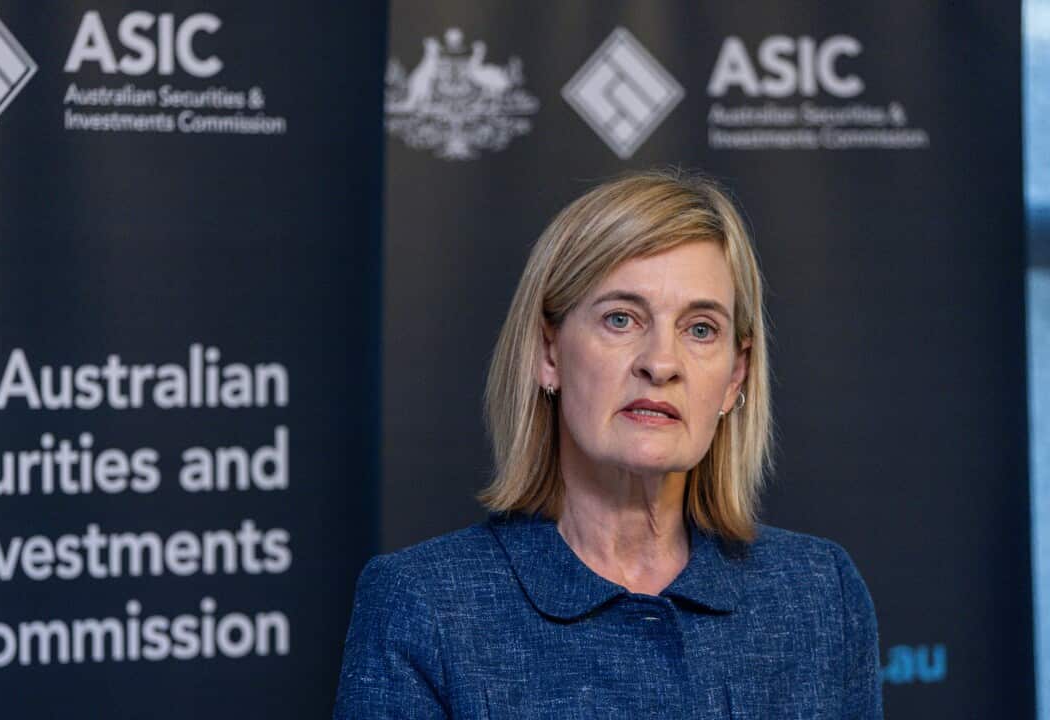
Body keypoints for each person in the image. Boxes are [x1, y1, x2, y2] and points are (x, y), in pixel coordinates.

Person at [333, 169, 882, 718]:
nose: (661, 363)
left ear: (735, 377)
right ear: (549, 354)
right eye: (621, 319)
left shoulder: (819, 595)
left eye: (700, 329)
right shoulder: (425, 604)